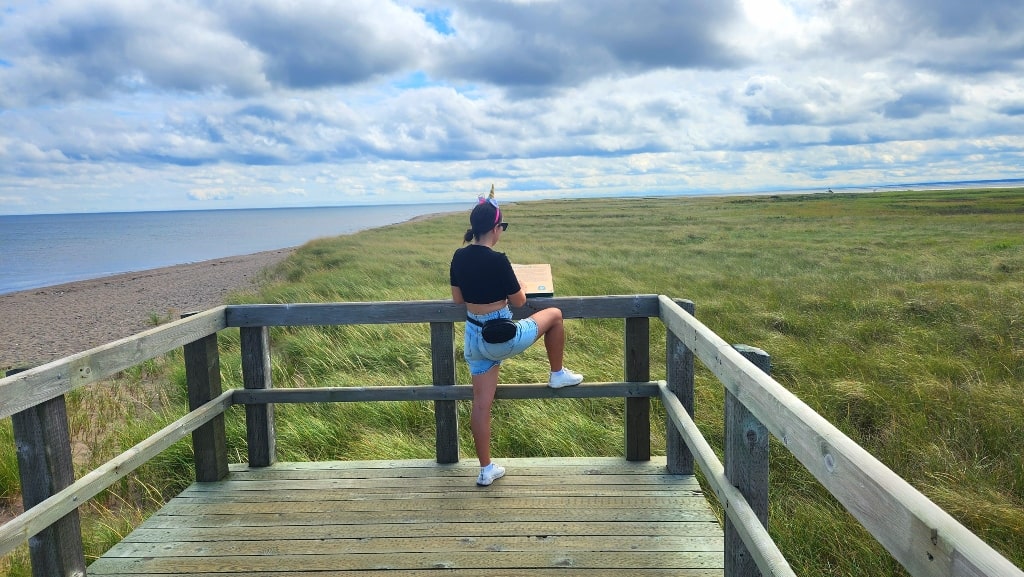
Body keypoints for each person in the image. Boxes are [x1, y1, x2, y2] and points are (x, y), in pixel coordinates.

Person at [450, 187, 584, 486]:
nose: (501, 232)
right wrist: (515, 281)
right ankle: (557, 373)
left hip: (474, 338)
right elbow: (521, 302)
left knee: (481, 404)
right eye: (502, 227)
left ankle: (486, 470)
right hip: (502, 335)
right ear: (495, 228)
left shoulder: (459, 257)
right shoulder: (499, 260)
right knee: (555, 315)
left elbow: (458, 299)